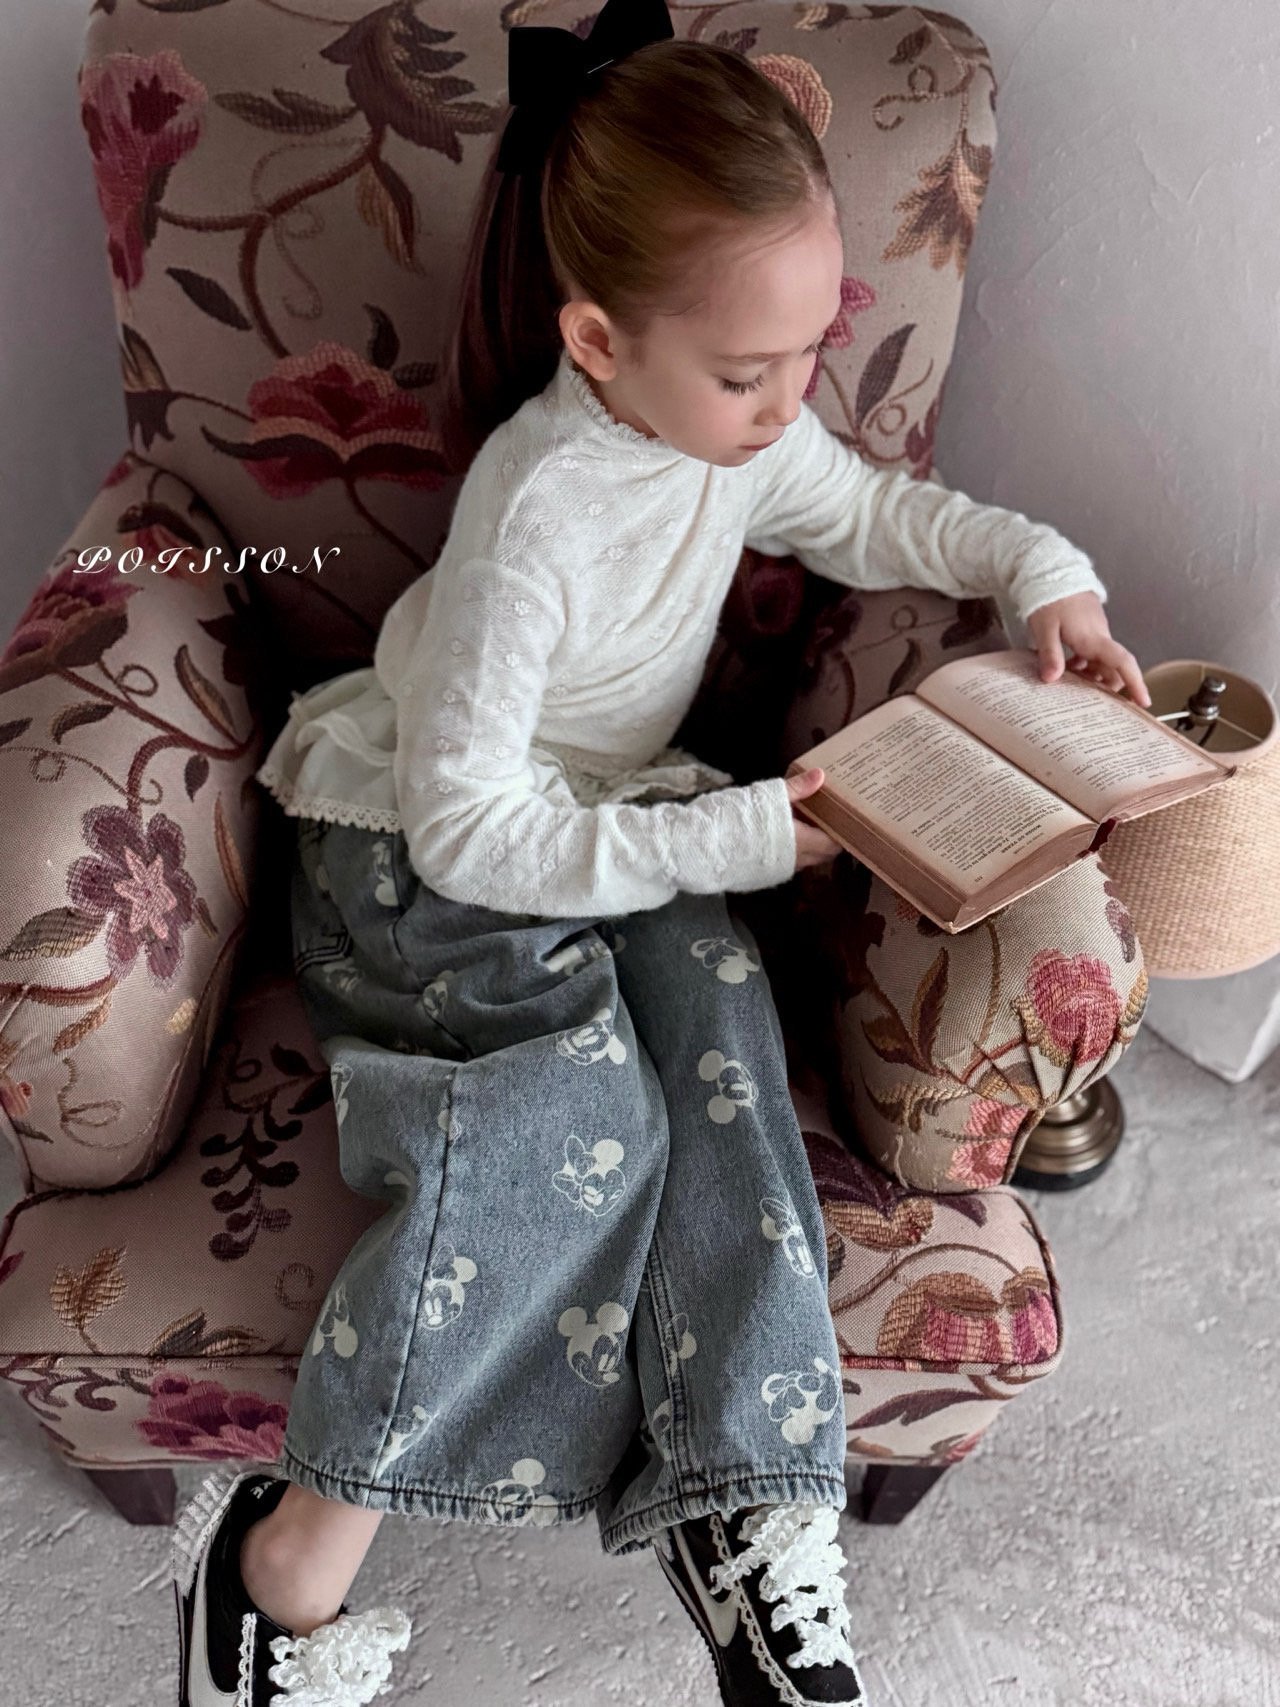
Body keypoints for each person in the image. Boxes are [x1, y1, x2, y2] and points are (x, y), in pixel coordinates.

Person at [170, 3, 1151, 1704]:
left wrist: (1044, 574)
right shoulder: (538, 510)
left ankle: (746, 1502)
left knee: (724, 1059)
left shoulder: (738, 435)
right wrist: (748, 831)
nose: (787, 408)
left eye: (807, 357)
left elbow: (879, 509)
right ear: (599, 341)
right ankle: (275, 1571)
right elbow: (470, 824)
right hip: (427, 842)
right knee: (579, 1121)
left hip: (627, 819)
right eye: (748, 373)